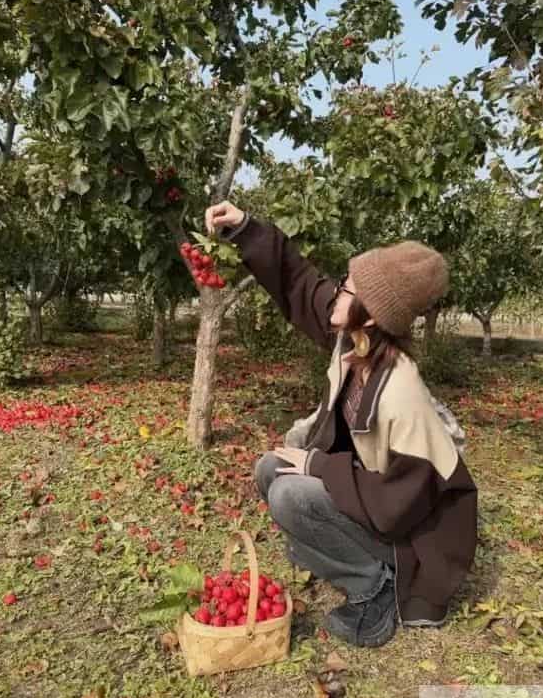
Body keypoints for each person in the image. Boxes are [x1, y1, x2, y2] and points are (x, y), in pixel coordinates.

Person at [204, 201, 478, 648]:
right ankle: (347, 557)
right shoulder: (356, 343)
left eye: (348, 290)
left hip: (417, 541)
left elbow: (397, 503)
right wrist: (247, 229)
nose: (337, 293)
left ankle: (380, 586)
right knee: (270, 469)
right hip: (378, 500)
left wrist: (318, 466)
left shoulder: (401, 392)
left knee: (293, 492)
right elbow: (300, 283)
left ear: (370, 315)